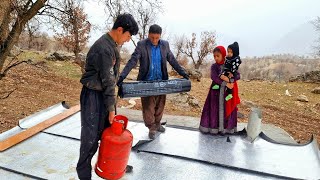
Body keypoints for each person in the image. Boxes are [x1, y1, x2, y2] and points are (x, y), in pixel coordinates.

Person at [76, 13, 139, 180]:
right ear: (120, 30)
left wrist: (111, 106)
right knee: (90, 139)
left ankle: (114, 163)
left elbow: (110, 80)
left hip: (103, 95)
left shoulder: (112, 45)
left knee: (109, 132)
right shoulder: (104, 48)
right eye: (128, 35)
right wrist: (111, 109)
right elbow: (108, 81)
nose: (127, 40)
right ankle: (83, 174)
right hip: (93, 97)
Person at [117, 24, 189, 139]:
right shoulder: (142, 45)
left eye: (157, 38)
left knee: (160, 105)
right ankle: (151, 127)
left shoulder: (165, 45)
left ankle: (157, 124)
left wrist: (183, 73)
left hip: (161, 81)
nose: (154, 40)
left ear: (160, 36)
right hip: (146, 82)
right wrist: (122, 76)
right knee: (148, 107)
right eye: (152, 38)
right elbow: (132, 61)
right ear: (148, 35)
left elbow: (172, 60)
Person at [199, 46, 240, 134]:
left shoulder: (229, 64)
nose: (216, 58)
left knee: (226, 110)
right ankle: (215, 129)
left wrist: (230, 80)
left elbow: (237, 75)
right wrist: (226, 83)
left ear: (223, 55)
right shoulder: (214, 66)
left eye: (218, 56)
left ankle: (225, 130)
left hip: (227, 93)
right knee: (215, 109)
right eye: (214, 56)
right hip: (215, 94)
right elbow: (214, 77)